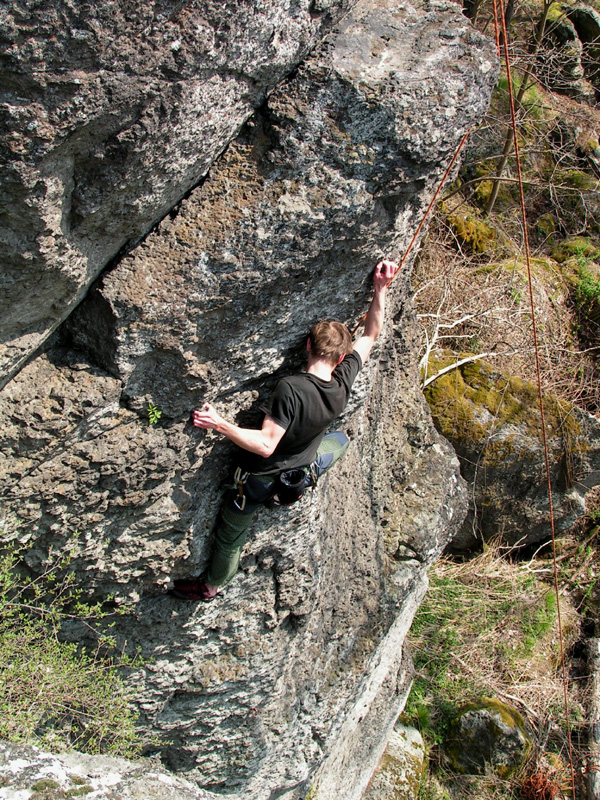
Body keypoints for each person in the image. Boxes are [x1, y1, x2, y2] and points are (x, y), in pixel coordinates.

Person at [172, 259, 399, 601]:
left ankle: (212, 586)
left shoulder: (290, 388)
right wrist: (380, 289)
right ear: (340, 359)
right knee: (338, 441)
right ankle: (294, 487)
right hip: (301, 468)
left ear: (307, 346)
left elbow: (265, 446)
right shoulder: (343, 381)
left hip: (260, 480)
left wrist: (219, 423)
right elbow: (371, 334)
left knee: (230, 536)